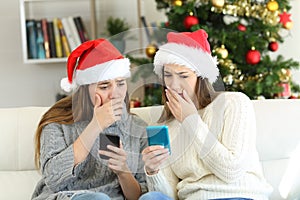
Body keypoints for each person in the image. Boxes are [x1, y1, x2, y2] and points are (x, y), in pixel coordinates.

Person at [139, 29, 273, 200]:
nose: (173, 84)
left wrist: (190, 120)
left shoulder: (233, 103)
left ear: (201, 76)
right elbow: (170, 195)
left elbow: (231, 171)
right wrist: (153, 171)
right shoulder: (164, 125)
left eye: (183, 76)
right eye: (168, 75)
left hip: (237, 196)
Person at [32, 38, 148, 200]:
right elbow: (52, 179)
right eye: (104, 86)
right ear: (85, 89)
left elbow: (138, 196)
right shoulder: (57, 122)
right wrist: (95, 125)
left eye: (120, 83)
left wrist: (123, 172)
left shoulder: (138, 128)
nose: (115, 94)